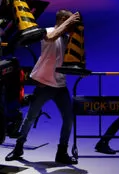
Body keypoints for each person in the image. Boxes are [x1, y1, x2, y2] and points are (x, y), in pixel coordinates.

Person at [5, 9, 81, 165]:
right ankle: (18, 147)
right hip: (45, 84)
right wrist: (70, 21)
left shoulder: (68, 39)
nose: (71, 24)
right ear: (61, 19)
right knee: (30, 117)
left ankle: (61, 152)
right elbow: (52, 38)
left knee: (68, 119)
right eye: (68, 20)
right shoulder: (47, 32)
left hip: (61, 86)